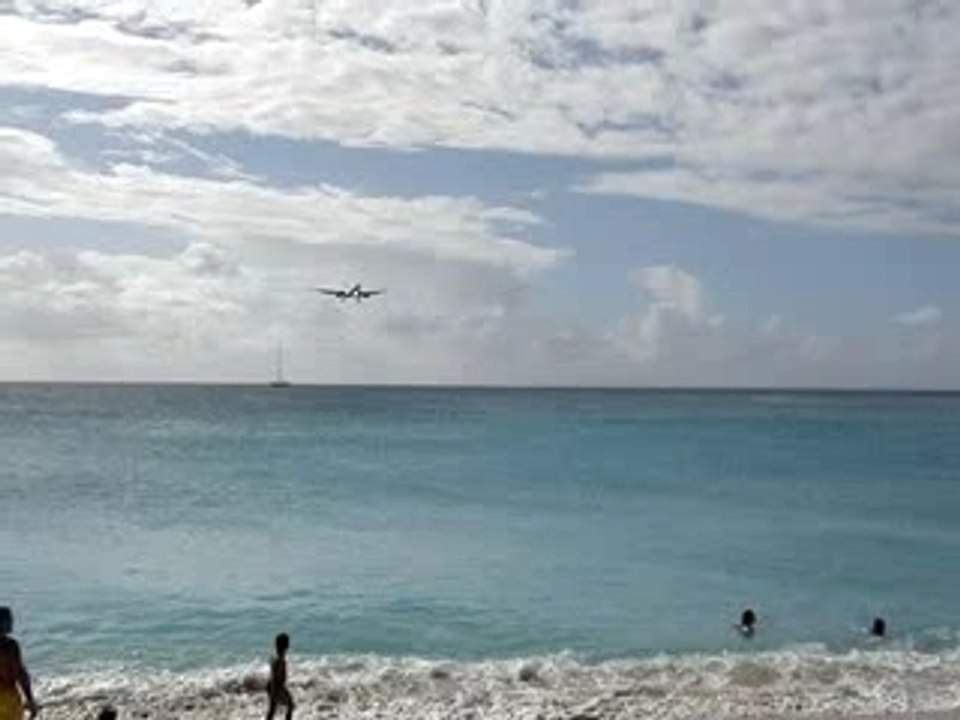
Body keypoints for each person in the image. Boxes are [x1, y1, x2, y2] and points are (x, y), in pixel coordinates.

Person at [0, 607, 38, 720]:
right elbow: (20, 674)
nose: (12, 622)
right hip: (7, 698)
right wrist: (30, 700)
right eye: (9, 620)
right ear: (3, 623)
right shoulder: (9, 646)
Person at [265, 633, 294, 720]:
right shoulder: (279, 659)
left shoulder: (276, 656)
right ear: (286, 645)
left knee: (272, 709)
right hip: (277, 686)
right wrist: (274, 690)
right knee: (290, 705)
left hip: (273, 685)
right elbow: (274, 675)